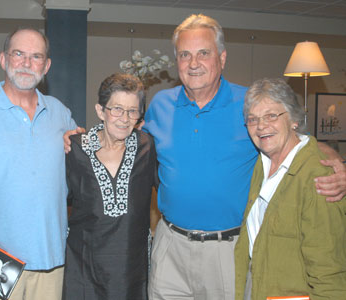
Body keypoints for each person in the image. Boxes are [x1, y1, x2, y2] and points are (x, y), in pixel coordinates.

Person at [143, 14, 346, 300]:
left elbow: (296, 141)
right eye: (184, 54)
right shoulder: (160, 104)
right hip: (170, 246)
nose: (193, 63)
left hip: (227, 249)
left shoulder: (249, 104)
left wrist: (335, 164)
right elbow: (129, 141)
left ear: (222, 58)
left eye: (204, 53)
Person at [0, 28, 77, 300]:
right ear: (3, 60)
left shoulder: (60, 113)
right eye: (18, 54)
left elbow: (81, 170)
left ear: (47, 65)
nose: (26, 63)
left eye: (36, 56)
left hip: (50, 263)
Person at [234, 78, 346, 299]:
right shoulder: (262, 163)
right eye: (253, 119)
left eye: (271, 116)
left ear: (294, 119)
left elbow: (328, 271)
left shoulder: (317, 176)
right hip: (257, 288)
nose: (261, 126)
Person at [62, 73, 157, 300]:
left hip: (131, 272)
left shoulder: (146, 147)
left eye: (132, 111)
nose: (124, 118)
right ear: (100, 111)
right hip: (84, 269)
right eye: (116, 109)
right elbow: (51, 197)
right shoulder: (75, 148)